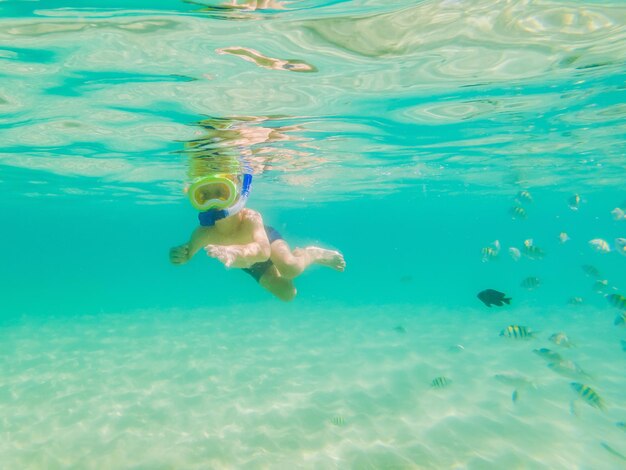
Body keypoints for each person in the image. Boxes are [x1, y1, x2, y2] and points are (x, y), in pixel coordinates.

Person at [169, 173, 345, 301]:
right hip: (248, 262)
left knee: (290, 268)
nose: (214, 203)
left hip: (265, 242)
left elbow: (262, 252)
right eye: (203, 196)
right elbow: (186, 254)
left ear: (237, 194)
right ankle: (276, 271)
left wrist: (235, 252)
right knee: (288, 294)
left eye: (222, 194)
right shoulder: (203, 233)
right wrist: (179, 255)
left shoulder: (250, 218)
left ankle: (311, 254)